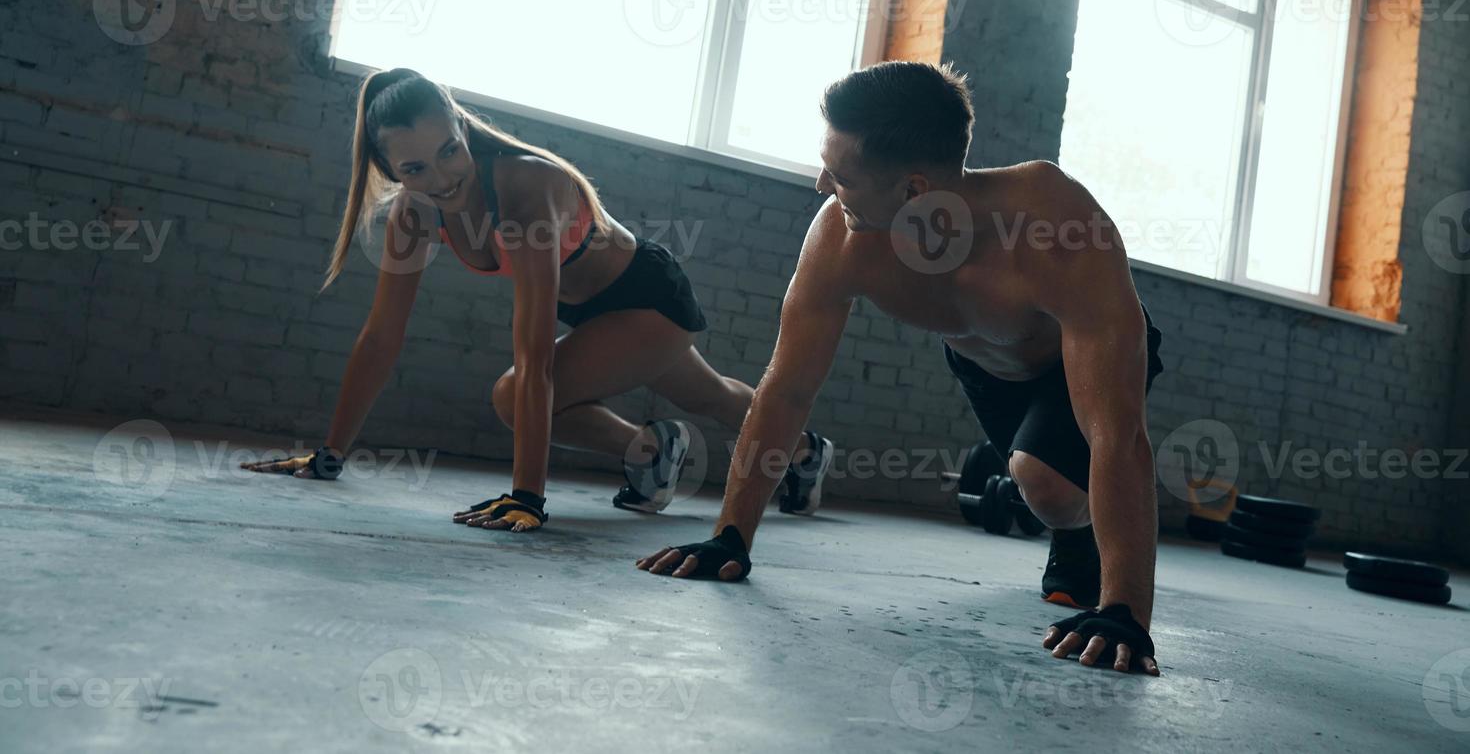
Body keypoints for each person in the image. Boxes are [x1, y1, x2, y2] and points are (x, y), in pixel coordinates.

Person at [636, 61, 1166, 676]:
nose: (820, 186)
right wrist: (730, 536)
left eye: (840, 177)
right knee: (1038, 486)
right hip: (984, 366)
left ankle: (1080, 534)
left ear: (914, 189)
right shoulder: (842, 237)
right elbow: (786, 390)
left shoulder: (1053, 227)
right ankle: (1067, 519)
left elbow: (1118, 433)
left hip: (1079, 357)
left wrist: (1127, 612)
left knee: (1043, 481)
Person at [241, 68, 835, 528]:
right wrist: (330, 453)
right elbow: (381, 336)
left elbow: (535, 357)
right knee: (715, 396)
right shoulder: (413, 215)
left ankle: (656, 450)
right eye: (416, 168)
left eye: (450, 150)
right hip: (590, 312)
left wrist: (528, 496)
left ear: (460, 123)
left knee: (512, 394)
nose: (443, 178)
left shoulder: (527, 191)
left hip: (647, 296)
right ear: (390, 168)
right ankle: (794, 452)